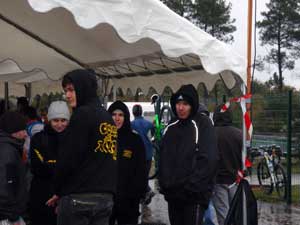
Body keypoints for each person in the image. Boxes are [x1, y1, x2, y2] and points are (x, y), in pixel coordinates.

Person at [46, 69, 118, 225]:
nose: (68, 95)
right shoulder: (107, 118)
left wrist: (58, 190)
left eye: (72, 90)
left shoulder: (82, 114)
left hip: (78, 199)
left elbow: (68, 158)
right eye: (66, 91)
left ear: (84, 88)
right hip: (105, 199)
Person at [158, 84, 218, 225]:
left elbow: (209, 160)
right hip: (173, 196)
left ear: (192, 105)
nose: (181, 107)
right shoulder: (171, 126)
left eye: (185, 104)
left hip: (193, 197)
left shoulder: (203, 124)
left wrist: (192, 188)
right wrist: (165, 184)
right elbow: (163, 157)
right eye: (178, 103)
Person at [29, 101, 70, 225]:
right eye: (55, 120)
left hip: (66, 195)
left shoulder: (73, 139)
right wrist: (61, 166)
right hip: (42, 194)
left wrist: (51, 163)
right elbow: (37, 168)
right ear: (49, 120)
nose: (59, 124)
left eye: (63, 120)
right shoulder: (39, 139)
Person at [108, 101, 148, 225]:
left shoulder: (134, 140)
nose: (117, 118)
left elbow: (141, 170)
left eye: (121, 115)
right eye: (114, 115)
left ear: (126, 117)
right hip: (107, 198)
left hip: (129, 200)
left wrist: (137, 193)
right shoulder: (103, 139)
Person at [211, 104, 243, 225]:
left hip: (217, 180)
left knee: (223, 214)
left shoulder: (211, 134)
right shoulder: (239, 134)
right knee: (235, 211)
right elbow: (245, 157)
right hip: (236, 179)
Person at [0, 111, 28, 225]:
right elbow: (5, 186)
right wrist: (13, 216)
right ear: (14, 132)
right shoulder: (8, 152)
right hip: (8, 217)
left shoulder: (9, 148)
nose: (26, 134)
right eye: (23, 130)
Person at [131, 104, 155, 204]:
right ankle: (144, 195)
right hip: (149, 154)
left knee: (139, 176)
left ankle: (147, 192)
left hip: (137, 155)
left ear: (133, 113)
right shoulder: (149, 124)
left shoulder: (131, 124)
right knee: (144, 175)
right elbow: (153, 136)